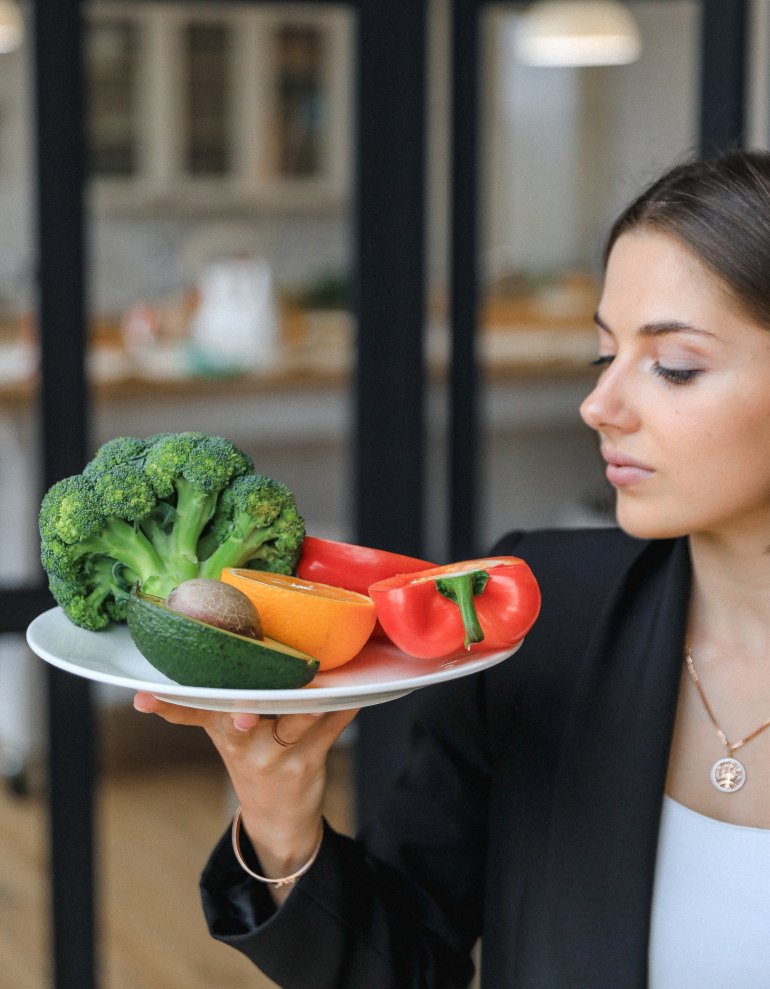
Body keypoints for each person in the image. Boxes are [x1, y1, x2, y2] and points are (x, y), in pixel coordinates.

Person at [134, 149, 770, 988]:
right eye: (602, 355)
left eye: (673, 366)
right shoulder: (533, 617)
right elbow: (408, 965)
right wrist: (282, 823)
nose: (599, 404)